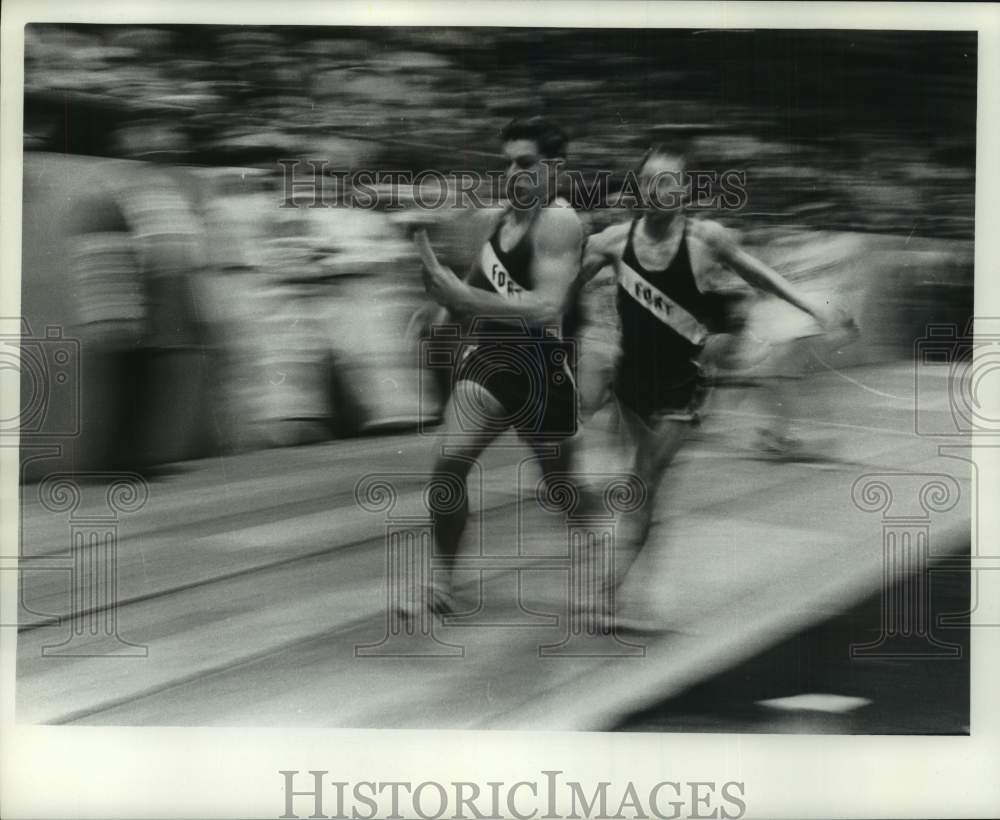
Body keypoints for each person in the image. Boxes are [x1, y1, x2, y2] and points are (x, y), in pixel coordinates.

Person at [577, 141, 854, 623]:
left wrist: (815, 308)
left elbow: (763, 277)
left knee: (644, 481)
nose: (660, 190)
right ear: (638, 188)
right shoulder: (612, 242)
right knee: (644, 487)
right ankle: (627, 591)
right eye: (650, 181)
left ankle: (612, 592)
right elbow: (557, 293)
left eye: (669, 181)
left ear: (684, 189)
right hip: (631, 383)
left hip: (682, 386)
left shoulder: (708, 240)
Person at [409, 116, 586, 617]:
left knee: (560, 488)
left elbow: (547, 307)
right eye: (506, 163)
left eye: (525, 163)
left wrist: (461, 296)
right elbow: (481, 275)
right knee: (449, 468)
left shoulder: (559, 221)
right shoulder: (500, 218)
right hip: (487, 360)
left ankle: (595, 541)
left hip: (540, 367)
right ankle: (442, 582)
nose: (512, 172)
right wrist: (444, 307)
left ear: (554, 169)